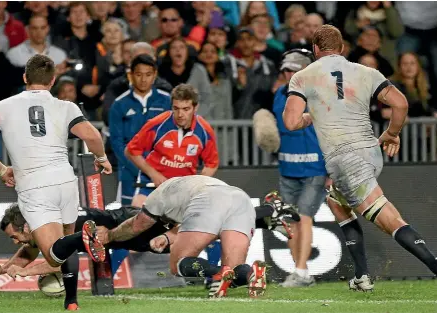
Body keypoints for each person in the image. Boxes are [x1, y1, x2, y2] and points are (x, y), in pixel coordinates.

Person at [283, 24, 437, 292]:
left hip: (346, 160)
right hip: (371, 152)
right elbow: (400, 103)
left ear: (316, 49)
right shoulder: (367, 72)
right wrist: (392, 134)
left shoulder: (303, 77)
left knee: (391, 221)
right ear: (342, 49)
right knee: (335, 200)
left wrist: (312, 114)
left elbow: (291, 121)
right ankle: (362, 275)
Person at [0, 54, 112, 311]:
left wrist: (3, 171)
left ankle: (84, 240)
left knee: (54, 254)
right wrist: (102, 158)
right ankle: (71, 301)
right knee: (63, 247)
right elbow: (93, 136)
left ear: (25, 77)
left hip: (34, 186)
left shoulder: (2, 106)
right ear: (53, 80)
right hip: (65, 181)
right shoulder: (67, 106)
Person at [86, 175, 300, 298]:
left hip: (209, 201)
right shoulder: (193, 183)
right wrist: (170, 237)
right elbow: (197, 223)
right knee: (233, 274)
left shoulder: (157, 196)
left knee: (177, 263)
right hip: (240, 200)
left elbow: (137, 225)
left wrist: (111, 235)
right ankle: (253, 273)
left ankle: (217, 273)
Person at [0, 198, 299, 281]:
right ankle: (267, 214)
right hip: (126, 233)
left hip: (128, 224)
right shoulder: (44, 227)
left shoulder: (52, 229)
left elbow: (57, 262)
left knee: (196, 227)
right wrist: (6, 267)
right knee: (196, 232)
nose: (17, 243)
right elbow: (30, 250)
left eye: (15, 237)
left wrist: (24, 271)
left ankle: (268, 210)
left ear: (26, 227)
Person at [271, 48, 329, 287]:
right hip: (287, 170)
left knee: (304, 217)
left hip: (315, 169)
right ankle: (300, 271)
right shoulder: (278, 95)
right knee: (291, 221)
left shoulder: (319, 96)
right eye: (286, 69)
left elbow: (329, 132)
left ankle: (302, 269)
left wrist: (331, 169)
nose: (288, 74)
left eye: (293, 70)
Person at [124, 83, 219, 208]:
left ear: (195, 108)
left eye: (186, 109)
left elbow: (212, 164)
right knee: (137, 211)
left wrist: (196, 184)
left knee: (178, 226)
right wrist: (154, 174)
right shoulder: (156, 124)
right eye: (176, 108)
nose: (180, 114)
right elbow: (130, 151)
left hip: (183, 189)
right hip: (150, 183)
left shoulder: (205, 131)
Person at [108, 54, 172, 206]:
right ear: (131, 75)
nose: (143, 79)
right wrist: (138, 169)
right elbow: (117, 143)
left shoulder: (167, 100)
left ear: (155, 75)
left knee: (165, 218)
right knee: (130, 220)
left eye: (148, 74)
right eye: (139, 74)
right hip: (130, 173)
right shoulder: (119, 104)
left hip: (163, 172)